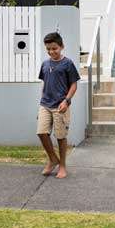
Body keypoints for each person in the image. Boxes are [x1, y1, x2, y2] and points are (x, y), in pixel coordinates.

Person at [36, 32, 80, 179]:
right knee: (41, 132)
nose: (51, 51)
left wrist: (66, 101)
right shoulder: (45, 64)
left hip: (61, 105)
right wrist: (41, 103)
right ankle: (53, 159)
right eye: (48, 49)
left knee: (61, 137)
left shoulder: (68, 63)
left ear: (61, 47)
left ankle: (62, 166)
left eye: (54, 48)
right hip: (45, 104)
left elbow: (74, 85)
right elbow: (45, 84)